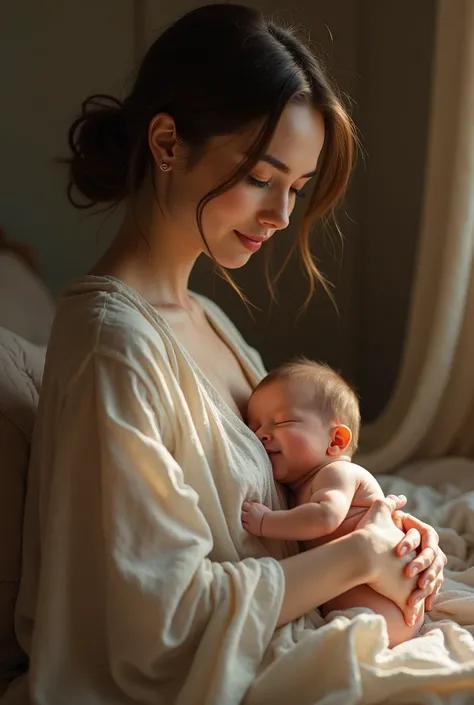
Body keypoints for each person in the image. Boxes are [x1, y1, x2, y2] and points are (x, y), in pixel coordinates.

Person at [4, 4, 446, 704]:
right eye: (262, 177)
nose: (280, 216)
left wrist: (384, 527)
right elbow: (158, 619)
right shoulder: (113, 347)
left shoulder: (207, 319)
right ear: (168, 142)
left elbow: (296, 487)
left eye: (296, 189)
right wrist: (360, 557)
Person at [241, 358, 425, 647]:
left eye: (282, 422)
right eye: (254, 427)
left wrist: (266, 521)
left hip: (386, 606)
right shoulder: (300, 486)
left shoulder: (336, 473)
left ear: (336, 441)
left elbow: (326, 517)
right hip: (365, 597)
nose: (261, 434)